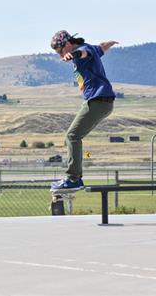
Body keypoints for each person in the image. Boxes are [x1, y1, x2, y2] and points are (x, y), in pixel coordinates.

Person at [50, 30, 118, 192]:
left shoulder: (81, 51)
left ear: (67, 44)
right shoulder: (93, 48)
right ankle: (75, 177)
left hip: (97, 100)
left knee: (72, 136)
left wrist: (73, 55)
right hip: (101, 101)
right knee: (73, 136)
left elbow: (83, 53)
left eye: (61, 51)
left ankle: (73, 178)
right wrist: (109, 44)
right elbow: (100, 48)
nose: (61, 56)